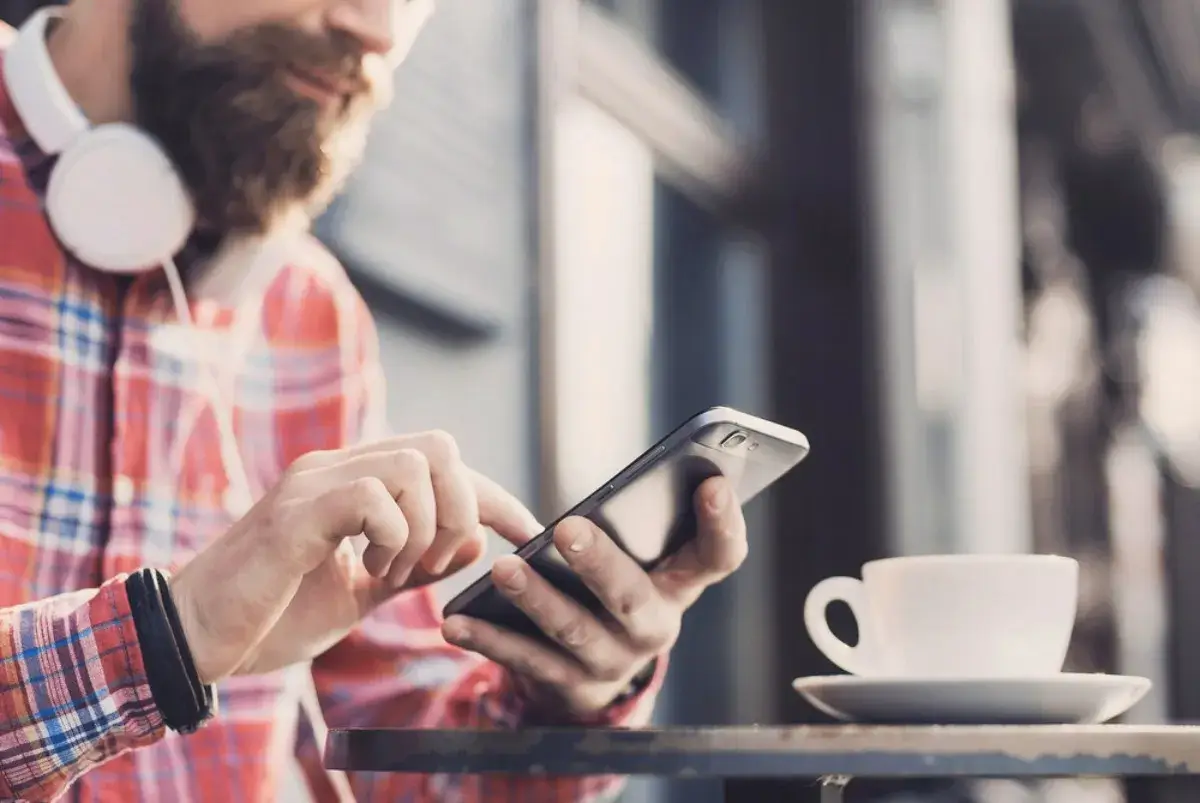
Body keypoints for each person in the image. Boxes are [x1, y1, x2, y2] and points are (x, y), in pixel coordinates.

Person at [0, 1, 752, 801]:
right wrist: (167, 635)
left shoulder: (309, 308)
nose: (381, 32)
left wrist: (568, 695)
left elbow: (407, 763)